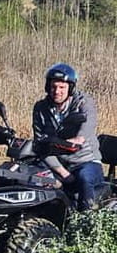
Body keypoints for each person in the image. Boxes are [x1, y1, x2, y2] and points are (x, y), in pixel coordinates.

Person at [32, 62, 103, 210]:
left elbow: (88, 125)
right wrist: (62, 172)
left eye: (62, 87)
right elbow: (41, 145)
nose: (57, 91)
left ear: (70, 88)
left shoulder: (82, 102)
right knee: (33, 177)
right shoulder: (40, 108)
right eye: (53, 87)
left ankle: (87, 222)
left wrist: (79, 139)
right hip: (58, 163)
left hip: (86, 161)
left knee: (84, 178)